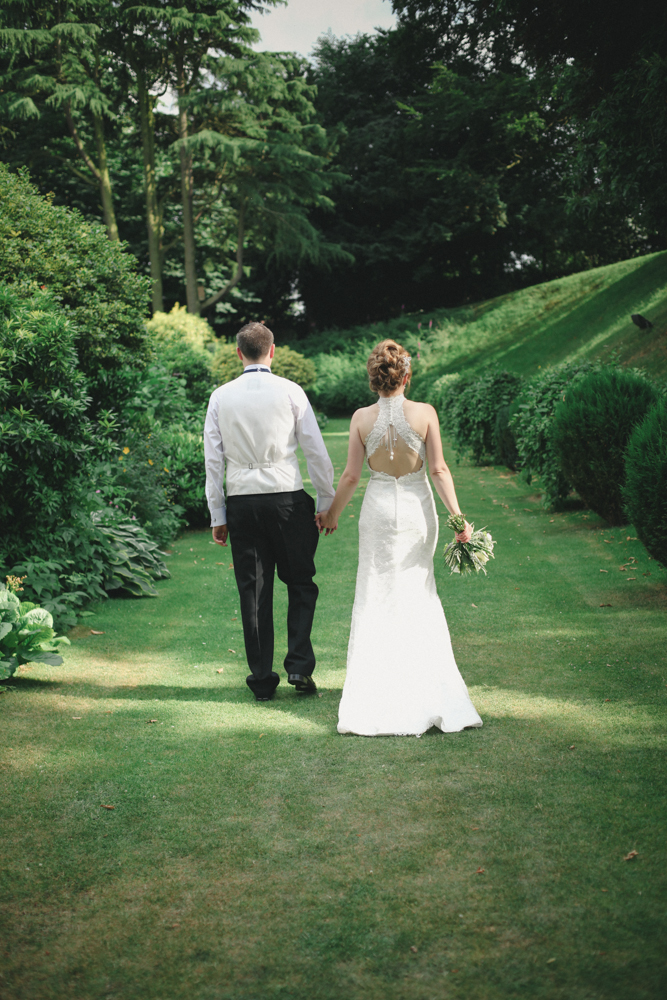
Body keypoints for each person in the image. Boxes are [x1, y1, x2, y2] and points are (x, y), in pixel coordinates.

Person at [315, 339, 483, 736]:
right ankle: (426, 690)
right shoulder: (424, 413)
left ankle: (377, 695)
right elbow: (439, 471)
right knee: (417, 592)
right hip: (415, 513)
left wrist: (331, 515)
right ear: (406, 376)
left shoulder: (359, 419)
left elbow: (352, 476)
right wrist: (460, 522)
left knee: (375, 591)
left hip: (375, 513)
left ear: (374, 380)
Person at [204, 322, 334, 702]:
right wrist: (325, 502)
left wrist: (218, 513)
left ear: (239, 353)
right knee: (300, 582)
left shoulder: (220, 396)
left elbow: (213, 460)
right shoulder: (291, 391)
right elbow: (315, 451)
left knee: (254, 591)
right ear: (272, 351)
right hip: (287, 500)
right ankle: (298, 665)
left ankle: (262, 679)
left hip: (243, 502)